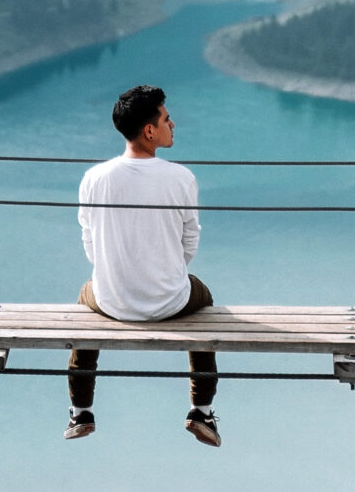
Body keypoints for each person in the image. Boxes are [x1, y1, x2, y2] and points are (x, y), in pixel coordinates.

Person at [65, 84, 221, 447]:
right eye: (167, 118)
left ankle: (80, 411)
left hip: (111, 303)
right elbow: (190, 241)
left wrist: (119, 272)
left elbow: (89, 242)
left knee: (84, 302)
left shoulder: (94, 178)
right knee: (205, 298)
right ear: (149, 130)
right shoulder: (181, 177)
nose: (173, 123)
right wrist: (166, 272)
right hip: (171, 302)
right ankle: (202, 410)